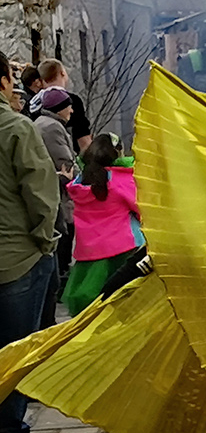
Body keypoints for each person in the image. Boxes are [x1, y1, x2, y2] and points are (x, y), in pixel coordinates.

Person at [0, 54, 54, 433]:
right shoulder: (16, 128)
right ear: (3, 82)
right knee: (15, 353)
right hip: (16, 259)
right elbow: (40, 193)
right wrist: (44, 241)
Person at [59, 134, 142, 315]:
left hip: (88, 253)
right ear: (117, 152)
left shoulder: (80, 182)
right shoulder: (120, 179)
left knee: (90, 306)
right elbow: (141, 208)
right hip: (123, 248)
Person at [31, 88, 75, 328]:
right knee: (53, 272)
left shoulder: (43, 124)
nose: (72, 110)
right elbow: (66, 167)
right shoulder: (52, 128)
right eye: (68, 106)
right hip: (56, 202)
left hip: (53, 201)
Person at [32, 60, 89, 149]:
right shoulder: (72, 101)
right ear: (62, 73)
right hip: (67, 154)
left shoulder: (34, 103)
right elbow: (83, 137)